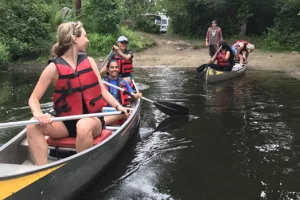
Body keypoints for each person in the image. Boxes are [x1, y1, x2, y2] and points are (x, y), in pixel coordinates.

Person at [26, 21, 128, 166]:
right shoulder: (53, 67)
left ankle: (80, 168)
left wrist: (118, 106)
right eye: (85, 36)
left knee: (83, 125)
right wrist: (38, 114)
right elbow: (33, 99)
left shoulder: (90, 61)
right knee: (32, 125)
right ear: (75, 39)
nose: (87, 40)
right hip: (66, 123)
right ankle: (43, 171)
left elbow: (101, 90)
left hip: (92, 120)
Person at [103, 59, 142, 125]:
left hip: (122, 111)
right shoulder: (102, 83)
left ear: (118, 69)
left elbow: (132, 95)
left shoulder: (124, 82)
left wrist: (136, 96)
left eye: (116, 67)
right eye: (112, 67)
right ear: (107, 69)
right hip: (107, 111)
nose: (114, 69)